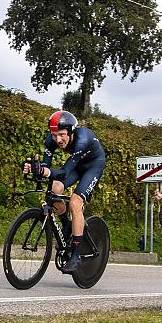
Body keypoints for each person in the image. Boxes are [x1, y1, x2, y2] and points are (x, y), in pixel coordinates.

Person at [23, 110, 106, 273]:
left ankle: (76, 256)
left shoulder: (82, 139)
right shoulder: (51, 141)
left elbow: (64, 172)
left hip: (93, 166)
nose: (58, 139)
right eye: (54, 135)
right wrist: (34, 169)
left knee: (75, 203)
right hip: (78, 166)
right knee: (55, 188)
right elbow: (45, 167)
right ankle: (66, 225)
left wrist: (45, 172)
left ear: (71, 132)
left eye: (61, 134)